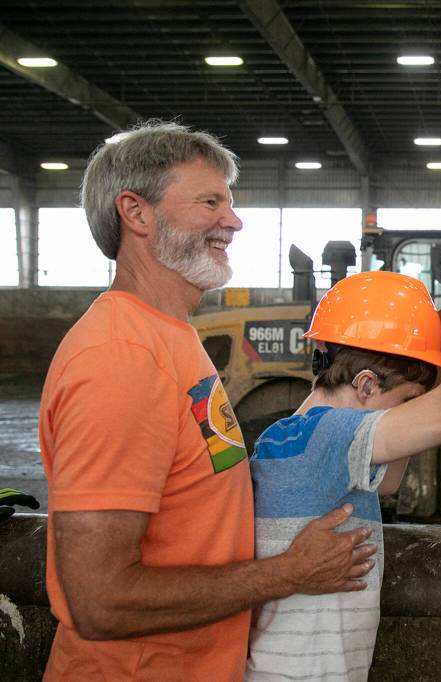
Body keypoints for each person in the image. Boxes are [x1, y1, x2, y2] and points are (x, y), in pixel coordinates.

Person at [39, 121, 376, 681]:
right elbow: (98, 601)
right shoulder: (121, 357)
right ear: (136, 212)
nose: (234, 220)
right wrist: (286, 574)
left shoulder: (171, 335)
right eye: (209, 201)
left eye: (232, 201)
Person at [246, 193, 441, 681]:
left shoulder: (291, 439)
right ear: (365, 385)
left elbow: (389, 483)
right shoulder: (330, 438)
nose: (411, 417)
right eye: (407, 403)